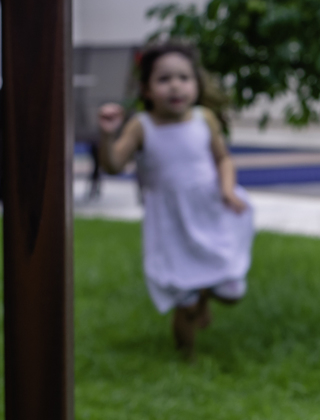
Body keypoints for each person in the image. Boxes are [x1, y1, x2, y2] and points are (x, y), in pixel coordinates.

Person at [97, 41, 255, 357]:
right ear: (146, 89)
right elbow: (113, 165)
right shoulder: (141, 126)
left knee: (232, 290)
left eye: (183, 77)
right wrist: (106, 135)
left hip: (209, 211)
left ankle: (205, 295)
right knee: (183, 299)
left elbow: (223, 159)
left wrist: (226, 188)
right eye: (164, 79)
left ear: (195, 84)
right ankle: (186, 358)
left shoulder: (203, 119)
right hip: (170, 223)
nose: (175, 85)